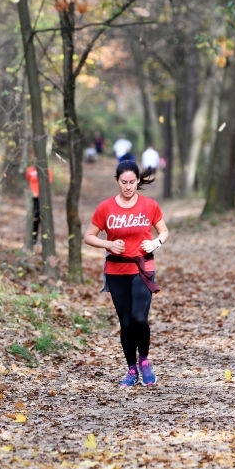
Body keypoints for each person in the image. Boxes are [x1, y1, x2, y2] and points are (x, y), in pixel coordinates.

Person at [83, 161, 169, 387]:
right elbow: (89, 236)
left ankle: (145, 363)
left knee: (140, 319)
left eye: (132, 182)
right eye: (124, 182)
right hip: (116, 270)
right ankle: (131, 369)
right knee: (127, 323)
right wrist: (107, 244)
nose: (128, 187)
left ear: (138, 180)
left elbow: (164, 231)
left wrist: (156, 243)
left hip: (142, 268)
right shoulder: (105, 208)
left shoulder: (150, 206)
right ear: (117, 181)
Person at [25, 165, 54, 245]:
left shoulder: (47, 170)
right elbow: (27, 179)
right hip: (33, 198)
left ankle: (46, 240)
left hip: (43, 198)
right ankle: (34, 239)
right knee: (35, 219)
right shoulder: (29, 170)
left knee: (44, 219)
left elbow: (49, 182)